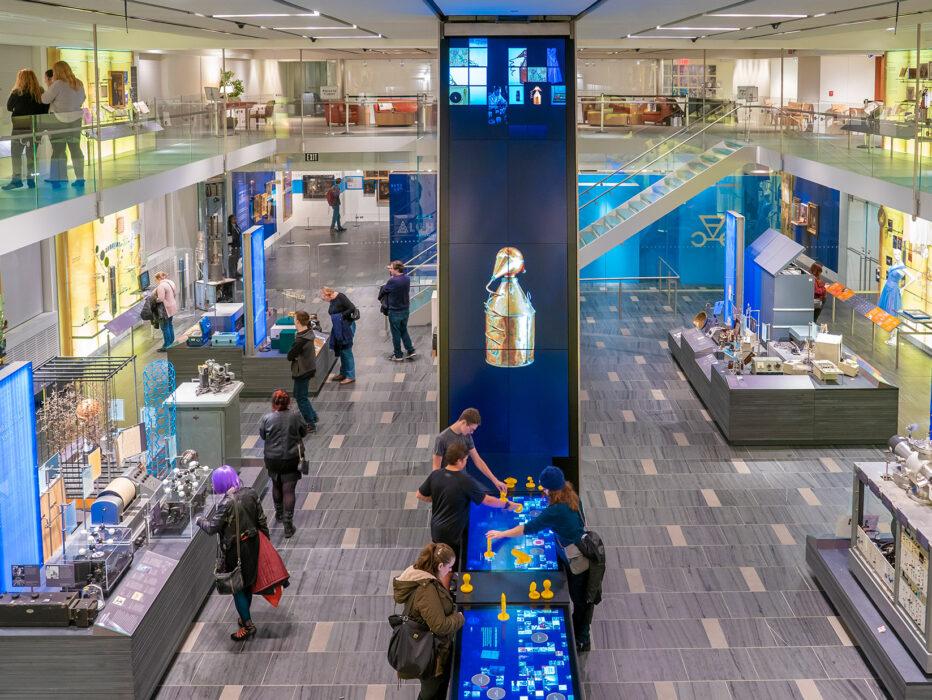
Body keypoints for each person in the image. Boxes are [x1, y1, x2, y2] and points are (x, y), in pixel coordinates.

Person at [486, 466, 594, 653]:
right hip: (571, 548)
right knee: (579, 598)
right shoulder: (572, 496)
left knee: (580, 600)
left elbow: (528, 528)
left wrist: (502, 533)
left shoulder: (556, 510)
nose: (542, 489)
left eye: (544, 487)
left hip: (576, 561)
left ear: (551, 489)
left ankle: (582, 639)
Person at [196, 465, 269, 642]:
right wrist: (266, 543)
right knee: (248, 582)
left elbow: (212, 528)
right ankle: (245, 617)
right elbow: (261, 520)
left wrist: (200, 520)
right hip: (253, 543)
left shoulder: (226, 503)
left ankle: (248, 626)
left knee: (237, 587)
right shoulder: (251, 493)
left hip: (235, 550)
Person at [417, 443, 518, 571]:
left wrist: (440, 497)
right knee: (448, 566)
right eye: (465, 460)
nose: (465, 463)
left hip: (437, 529)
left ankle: (441, 580)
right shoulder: (464, 480)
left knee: (440, 560)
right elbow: (486, 500)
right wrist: (507, 504)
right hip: (453, 532)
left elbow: (420, 495)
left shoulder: (435, 475)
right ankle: (444, 583)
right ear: (459, 461)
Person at [392, 543, 464, 700]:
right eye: (449, 567)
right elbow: (440, 626)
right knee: (430, 692)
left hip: (428, 646)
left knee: (436, 688)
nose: (450, 570)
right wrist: (459, 617)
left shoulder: (420, 575)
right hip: (429, 653)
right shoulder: (426, 591)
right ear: (440, 566)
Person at [258, 390, 307, 538]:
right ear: (288, 402)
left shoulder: (267, 418)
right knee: (289, 491)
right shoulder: (295, 416)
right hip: (291, 458)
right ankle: (288, 526)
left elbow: (262, 435)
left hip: (272, 458)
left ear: (273, 403)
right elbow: (303, 432)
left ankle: (279, 514)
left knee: (276, 485)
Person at [433, 408, 506, 493]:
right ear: (464, 422)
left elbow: (478, 460)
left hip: (463, 485)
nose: (472, 432)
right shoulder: (441, 439)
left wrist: (495, 481)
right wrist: (437, 491)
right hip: (448, 488)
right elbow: (436, 469)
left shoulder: (467, 437)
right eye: (471, 429)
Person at [41, 60, 86, 189]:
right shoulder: (78, 83)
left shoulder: (58, 84)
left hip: (59, 121)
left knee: (58, 150)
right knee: (75, 149)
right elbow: (83, 98)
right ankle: (80, 177)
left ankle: (56, 179)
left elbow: (44, 99)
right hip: (76, 121)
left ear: (57, 71)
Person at [4, 69, 48, 190]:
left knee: (16, 154)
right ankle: (31, 180)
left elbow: (9, 107)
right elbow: (45, 109)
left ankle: (17, 180)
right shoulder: (40, 91)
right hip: (35, 128)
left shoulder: (17, 92)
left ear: (20, 79)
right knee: (32, 155)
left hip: (20, 128)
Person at [286, 310, 319, 431]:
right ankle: (313, 416)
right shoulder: (308, 332)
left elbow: (290, 356)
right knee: (299, 395)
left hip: (302, 371)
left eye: (295, 319)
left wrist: (295, 356)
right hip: (309, 368)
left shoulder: (300, 340)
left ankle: (310, 423)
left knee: (301, 398)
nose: (294, 321)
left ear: (298, 322)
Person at [320, 286, 357, 384]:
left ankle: (351, 375)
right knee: (342, 350)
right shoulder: (332, 300)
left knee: (346, 350)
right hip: (340, 327)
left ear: (328, 295)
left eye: (324, 298)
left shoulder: (340, 297)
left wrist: (340, 316)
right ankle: (343, 372)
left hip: (347, 327)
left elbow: (352, 308)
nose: (324, 300)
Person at [381, 260, 416, 361]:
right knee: (403, 330)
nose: (390, 270)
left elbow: (384, 290)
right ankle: (410, 350)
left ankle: (398, 354)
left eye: (391, 269)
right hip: (405, 310)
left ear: (397, 269)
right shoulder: (407, 278)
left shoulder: (393, 281)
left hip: (395, 311)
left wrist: (389, 282)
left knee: (395, 333)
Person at [154, 271, 178, 351]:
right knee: (170, 325)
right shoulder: (170, 282)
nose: (156, 282)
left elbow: (160, 299)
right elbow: (174, 294)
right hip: (172, 306)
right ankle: (171, 342)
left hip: (165, 309)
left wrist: (153, 299)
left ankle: (166, 346)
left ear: (159, 278)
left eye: (156, 280)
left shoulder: (161, 286)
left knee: (165, 327)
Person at [227, 214, 242, 278]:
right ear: (230, 220)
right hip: (233, 247)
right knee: (232, 261)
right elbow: (230, 238)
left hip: (237, 245)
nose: (235, 220)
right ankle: (232, 274)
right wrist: (230, 246)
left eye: (235, 219)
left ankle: (235, 272)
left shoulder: (236, 226)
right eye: (234, 219)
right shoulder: (229, 228)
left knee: (236, 260)